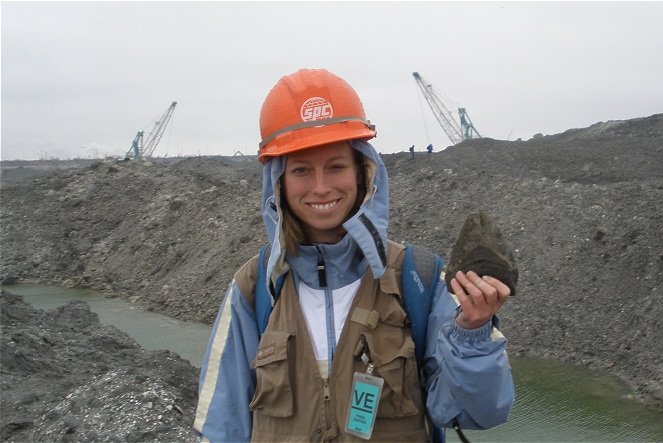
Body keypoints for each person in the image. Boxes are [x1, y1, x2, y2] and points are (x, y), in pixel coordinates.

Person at [193, 68, 514, 442]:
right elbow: (221, 428)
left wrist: (472, 333)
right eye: (301, 170)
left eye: (336, 166)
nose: (320, 186)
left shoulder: (419, 278)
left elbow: (475, 413)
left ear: (363, 172)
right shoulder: (253, 290)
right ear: (278, 181)